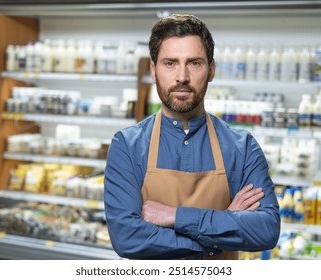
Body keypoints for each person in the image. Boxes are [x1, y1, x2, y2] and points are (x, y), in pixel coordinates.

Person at [104, 13, 280, 260]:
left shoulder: (242, 147)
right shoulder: (128, 145)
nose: (182, 77)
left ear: (211, 70)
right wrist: (220, 233)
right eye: (170, 63)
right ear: (154, 71)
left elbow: (266, 231)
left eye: (194, 63)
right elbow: (127, 238)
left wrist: (175, 217)